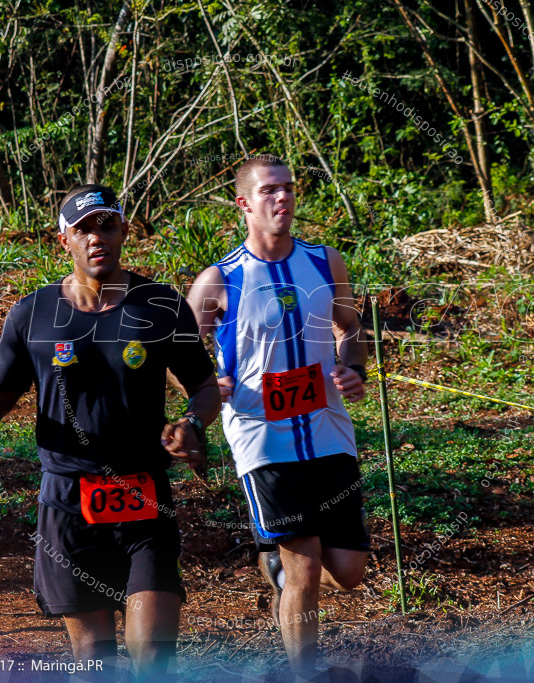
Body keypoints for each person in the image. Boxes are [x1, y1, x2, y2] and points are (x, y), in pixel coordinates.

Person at [0, 184, 220, 680]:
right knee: (95, 663)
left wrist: (193, 424)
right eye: (83, 229)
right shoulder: (33, 314)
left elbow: (205, 386)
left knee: (154, 658)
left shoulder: (160, 306)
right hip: (69, 504)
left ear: (124, 232)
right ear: (63, 241)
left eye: (106, 225)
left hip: (143, 496)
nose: (97, 237)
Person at [186, 155, 369, 679]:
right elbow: (180, 352)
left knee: (348, 572)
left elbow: (351, 329)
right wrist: (206, 385)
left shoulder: (325, 262)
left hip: (328, 426)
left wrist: (352, 367)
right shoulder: (218, 280)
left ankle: (278, 574)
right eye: (269, 191)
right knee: (305, 566)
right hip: (261, 435)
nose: (282, 198)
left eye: (288, 188)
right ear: (243, 203)